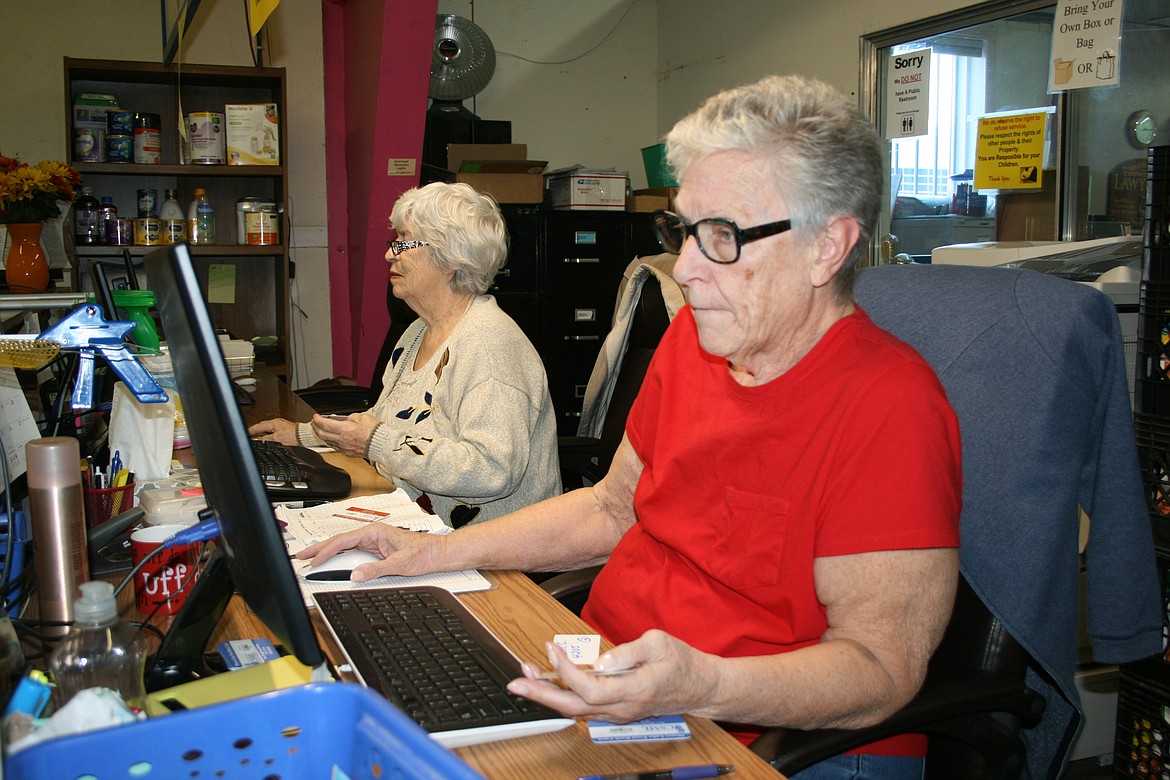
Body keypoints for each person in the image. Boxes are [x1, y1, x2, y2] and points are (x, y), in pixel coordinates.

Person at [296, 76, 963, 779]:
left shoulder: (891, 406)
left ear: (829, 246)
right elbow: (613, 507)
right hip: (616, 677)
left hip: (763, 736)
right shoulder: (694, 344)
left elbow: (882, 670)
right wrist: (431, 553)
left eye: (722, 236)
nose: (687, 269)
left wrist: (702, 681)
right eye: (680, 230)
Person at [250, 182, 561, 527]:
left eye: (404, 242)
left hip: (496, 550)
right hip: (418, 519)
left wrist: (375, 442)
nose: (389, 254)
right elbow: (388, 419)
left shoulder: (490, 347)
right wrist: (304, 435)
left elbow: (492, 471)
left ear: (451, 257)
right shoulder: (418, 331)